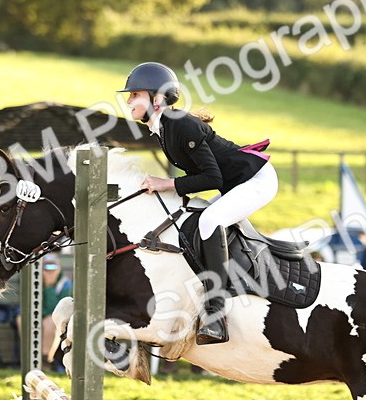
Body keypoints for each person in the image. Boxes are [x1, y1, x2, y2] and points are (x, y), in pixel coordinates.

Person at [119, 61, 278, 345]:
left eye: (135, 95)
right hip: (236, 183)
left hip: (255, 179)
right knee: (197, 217)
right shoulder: (164, 129)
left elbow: (211, 177)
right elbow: (200, 175)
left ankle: (216, 316)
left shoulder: (179, 124)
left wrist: (164, 183)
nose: (129, 100)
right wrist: (163, 187)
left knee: (209, 220)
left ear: (157, 98)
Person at [15, 254, 72, 368]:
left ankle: (45, 358)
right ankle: (28, 354)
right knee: (22, 319)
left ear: (59, 268)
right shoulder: (34, 281)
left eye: (53, 267)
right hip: (38, 314)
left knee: (50, 322)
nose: (50, 271)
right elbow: (29, 304)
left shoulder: (65, 284)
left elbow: (56, 309)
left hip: (53, 318)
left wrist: (50, 286)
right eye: (47, 267)